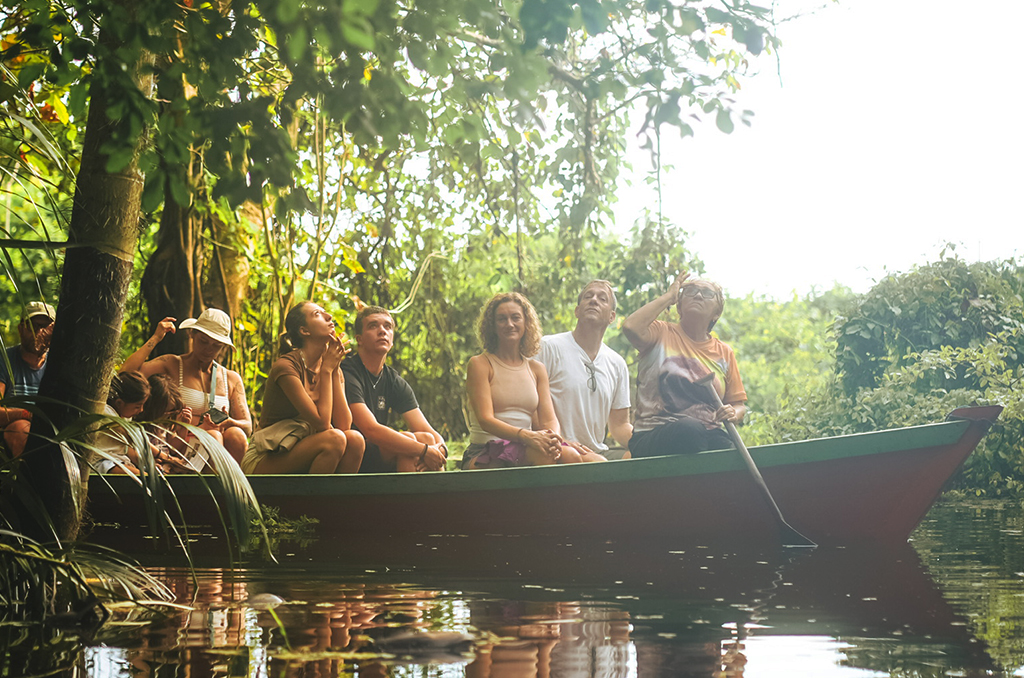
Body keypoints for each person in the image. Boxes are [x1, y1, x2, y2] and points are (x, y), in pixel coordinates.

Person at [463, 292, 605, 469]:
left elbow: (548, 420)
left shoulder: (536, 369)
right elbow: (485, 419)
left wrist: (552, 440)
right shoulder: (480, 364)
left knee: (594, 461)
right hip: (487, 449)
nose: (509, 324)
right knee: (547, 457)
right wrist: (527, 436)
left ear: (526, 323)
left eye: (515, 318)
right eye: (501, 319)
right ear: (492, 326)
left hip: (527, 444)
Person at [621, 271, 747, 457]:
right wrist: (669, 296)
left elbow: (738, 404)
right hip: (653, 435)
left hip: (709, 434)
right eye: (690, 291)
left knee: (728, 449)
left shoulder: (724, 353)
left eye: (707, 293)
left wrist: (733, 413)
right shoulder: (660, 333)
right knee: (690, 430)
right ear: (679, 307)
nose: (697, 295)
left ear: (716, 313)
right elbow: (630, 327)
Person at [240, 301, 365, 474]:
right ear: (304, 331)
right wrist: (327, 371)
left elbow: (344, 425)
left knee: (356, 440)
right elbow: (322, 424)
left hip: (306, 447)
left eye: (325, 312)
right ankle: (311, 501)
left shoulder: (329, 364)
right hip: (266, 457)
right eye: (317, 314)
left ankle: (337, 501)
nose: (329, 316)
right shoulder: (286, 367)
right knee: (334, 439)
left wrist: (334, 370)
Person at [121, 308, 252, 464]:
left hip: (216, 446)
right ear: (192, 334)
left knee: (236, 435)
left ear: (223, 346)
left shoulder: (231, 378)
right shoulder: (172, 364)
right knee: (213, 437)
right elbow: (125, 374)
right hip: (178, 444)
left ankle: (229, 485)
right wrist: (156, 338)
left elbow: (247, 426)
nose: (209, 349)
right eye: (203, 341)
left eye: (216, 345)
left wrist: (230, 422)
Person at [342, 306, 446, 473]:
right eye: (373, 326)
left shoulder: (392, 379)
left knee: (427, 438)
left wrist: (440, 450)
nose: (382, 331)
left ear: (392, 339)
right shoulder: (347, 372)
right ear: (359, 339)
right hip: (354, 453)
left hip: (381, 452)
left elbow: (427, 430)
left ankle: (432, 498)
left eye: (387, 326)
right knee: (411, 442)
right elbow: (370, 430)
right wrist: (424, 450)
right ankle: (408, 499)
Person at [538, 280, 633, 459]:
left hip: (596, 451)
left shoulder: (617, 364)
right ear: (577, 311)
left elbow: (619, 426)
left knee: (637, 456)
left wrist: (648, 442)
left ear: (612, 317)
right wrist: (561, 441)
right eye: (588, 296)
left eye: (602, 298)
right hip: (555, 448)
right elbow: (528, 405)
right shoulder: (548, 347)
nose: (594, 300)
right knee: (598, 464)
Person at [0, 301, 55, 457]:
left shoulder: (58, 363)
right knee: (21, 430)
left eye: (46, 328)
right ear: (21, 329)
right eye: (34, 327)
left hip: (52, 429)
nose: (39, 333)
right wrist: (27, 414)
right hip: (13, 430)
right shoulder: (4, 359)